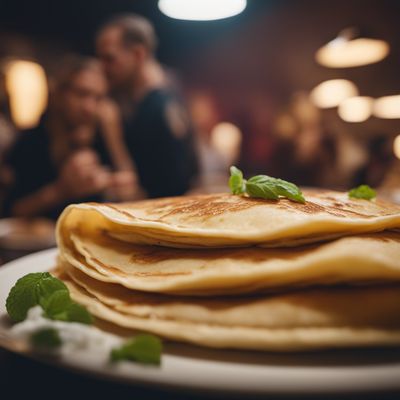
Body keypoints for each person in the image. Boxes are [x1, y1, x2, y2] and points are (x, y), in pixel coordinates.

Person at [2, 56, 130, 220]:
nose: (89, 108)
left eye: (98, 98)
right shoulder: (31, 141)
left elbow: (136, 195)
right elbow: (10, 212)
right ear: (60, 94)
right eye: (82, 94)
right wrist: (61, 190)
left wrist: (115, 142)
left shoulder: (103, 139)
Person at [96, 14, 198, 198]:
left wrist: (113, 135)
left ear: (138, 54)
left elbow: (173, 190)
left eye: (109, 59)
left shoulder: (160, 107)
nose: (102, 67)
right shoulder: (142, 99)